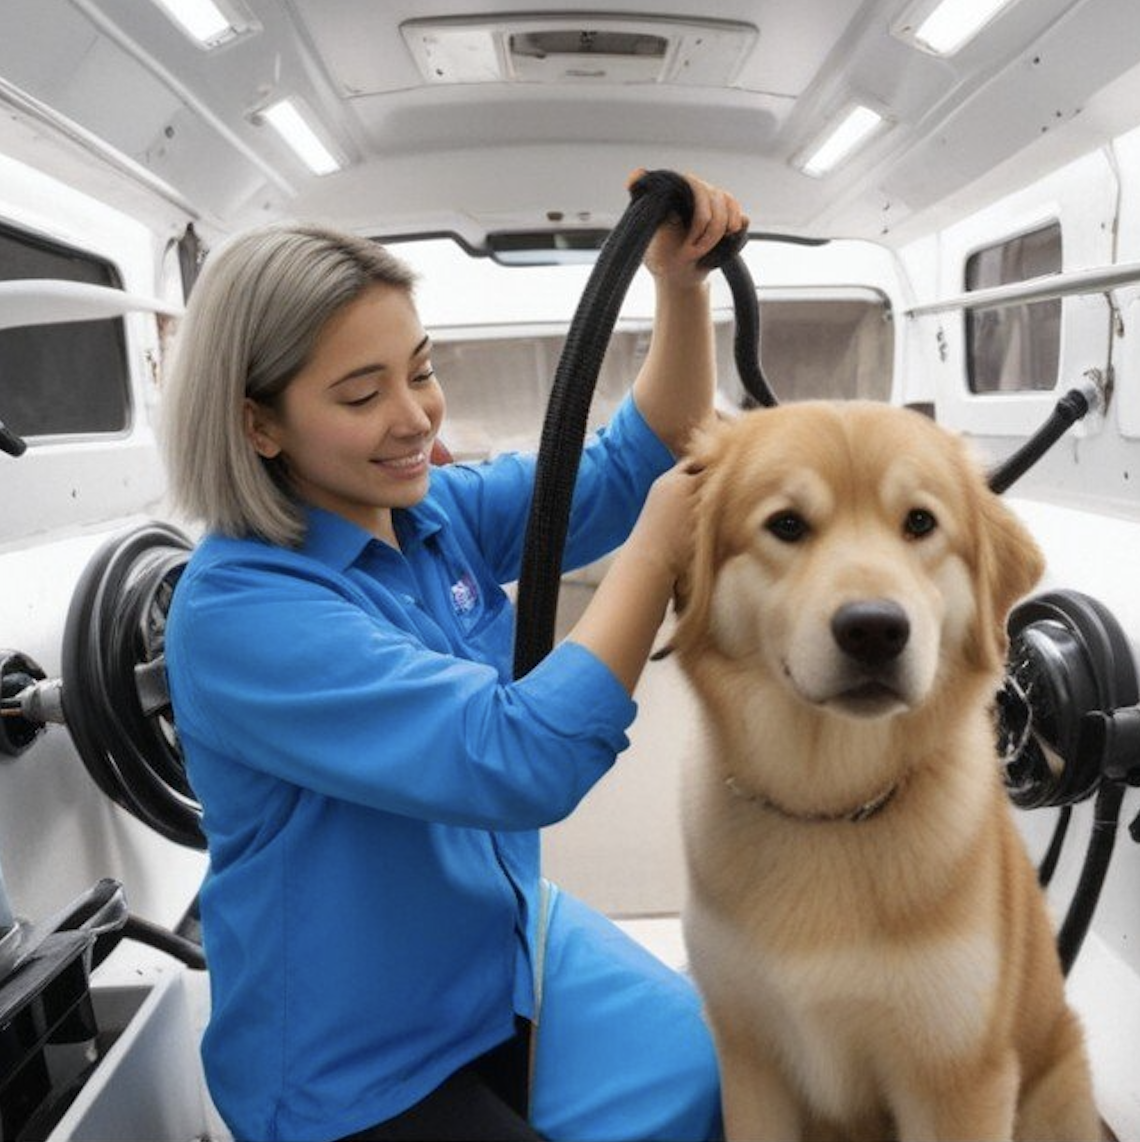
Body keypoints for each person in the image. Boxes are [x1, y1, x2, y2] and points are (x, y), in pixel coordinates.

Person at [161, 169, 747, 1142]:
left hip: (497, 942)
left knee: (710, 1071)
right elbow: (521, 757)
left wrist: (679, 287)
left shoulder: (430, 511)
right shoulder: (239, 609)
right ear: (256, 421)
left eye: (420, 369)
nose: (416, 417)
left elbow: (639, 453)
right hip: (353, 1059)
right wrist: (656, 550)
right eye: (362, 392)